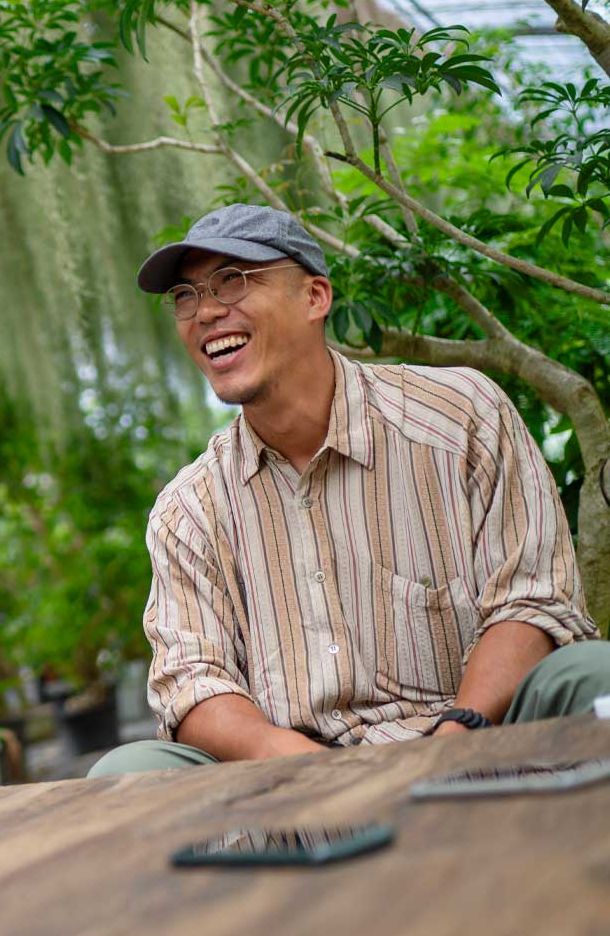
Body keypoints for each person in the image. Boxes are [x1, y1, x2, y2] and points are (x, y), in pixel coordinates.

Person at [89, 204, 610, 777]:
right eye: (186, 295)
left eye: (232, 281)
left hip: (474, 745)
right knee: (127, 772)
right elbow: (191, 680)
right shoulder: (188, 509)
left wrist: (455, 735)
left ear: (315, 297)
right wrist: (309, 769)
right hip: (291, 788)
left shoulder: (461, 417)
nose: (206, 310)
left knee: (593, 672)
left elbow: (532, 601)